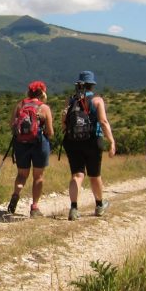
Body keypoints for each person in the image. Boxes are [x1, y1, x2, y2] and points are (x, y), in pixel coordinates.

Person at [61, 71, 116, 221]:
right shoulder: (97, 101)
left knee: (77, 175)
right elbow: (103, 122)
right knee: (94, 175)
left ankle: (73, 208)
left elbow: (64, 122)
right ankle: (99, 205)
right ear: (92, 85)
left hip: (72, 141)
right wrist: (111, 141)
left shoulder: (71, 100)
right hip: (93, 140)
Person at [7, 80, 54, 218]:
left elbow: (12, 125)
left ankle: (16, 195)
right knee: (38, 176)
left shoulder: (20, 105)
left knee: (22, 175)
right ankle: (34, 207)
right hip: (39, 144)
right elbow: (50, 131)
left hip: (21, 144)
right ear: (42, 93)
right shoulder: (44, 108)